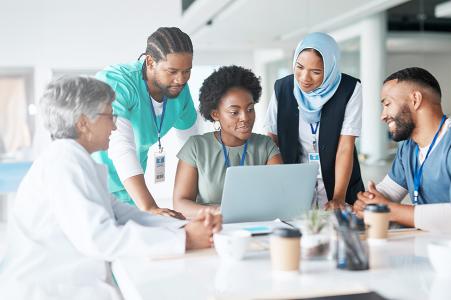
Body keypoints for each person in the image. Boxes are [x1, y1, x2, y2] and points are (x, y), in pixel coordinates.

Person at [0, 77, 222, 299]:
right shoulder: (64, 162)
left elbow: (122, 213)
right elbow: (100, 238)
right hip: (48, 291)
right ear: (83, 123)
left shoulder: (75, 160)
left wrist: (187, 226)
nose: (115, 125)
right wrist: (186, 240)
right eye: (109, 116)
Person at [352, 67, 451, 244]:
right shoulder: (408, 147)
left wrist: (389, 209)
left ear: (415, 100)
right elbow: (388, 192)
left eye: (387, 104)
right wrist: (368, 202)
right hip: (437, 252)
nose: (382, 116)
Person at [93, 27, 197, 217]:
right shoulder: (119, 82)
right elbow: (120, 147)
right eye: (172, 71)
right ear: (150, 62)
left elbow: (191, 147)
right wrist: (149, 207)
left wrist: (194, 198)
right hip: (94, 184)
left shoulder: (180, 90)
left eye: (187, 71)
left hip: (130, 190)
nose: (181, 80)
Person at [264, 32, 364, 210]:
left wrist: (339, 197)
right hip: (295, 179)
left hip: (339, 180)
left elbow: (345, 148)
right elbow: (271, 140)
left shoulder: (349, 89)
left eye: (316, 72)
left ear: (330, 68)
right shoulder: (283, 88)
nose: (304, 78)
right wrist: (278, 184)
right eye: (300, 67)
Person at [173, 66, 282, 219]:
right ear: (215, 114)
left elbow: (281, 196)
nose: (245, 117)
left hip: (257, 227)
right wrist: (220, 211)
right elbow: (180, 204)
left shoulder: (266, 146)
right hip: (212, 229)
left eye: (250, 109)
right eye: (234, 112)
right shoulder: (196, 147)